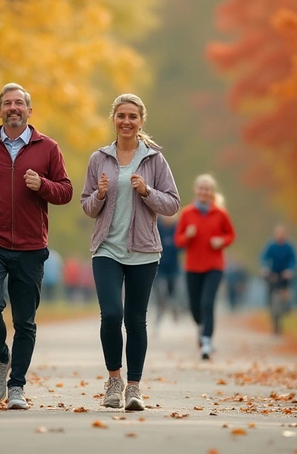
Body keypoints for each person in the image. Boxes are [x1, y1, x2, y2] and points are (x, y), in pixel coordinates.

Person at [0, 83, 73, 410]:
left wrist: (43, 186)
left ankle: (18, 386)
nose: (13, 107)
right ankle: (1, 356)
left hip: (30, 246)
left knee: (25, 322)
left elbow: (65, 191)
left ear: (29, 110)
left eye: (19, 103)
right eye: (7, 103)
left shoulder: (48, 148)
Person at [81, 93, 180, 411]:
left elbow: (173, 204)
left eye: (132, 117)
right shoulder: (99, 158)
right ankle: (114, 381)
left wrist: (147, 191)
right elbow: (86, 205)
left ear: (141, 121)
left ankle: (134, 388)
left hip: (143, 250)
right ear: (114, 119)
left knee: (136, 320)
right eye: (121, 116)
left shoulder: (154, 159)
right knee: (111, 314)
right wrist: (99, 195)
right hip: (107, 248)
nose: (126, 121)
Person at [174, 174, 235, 360]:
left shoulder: (220, 213)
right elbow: (178, 241)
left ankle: (206, 341)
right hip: (192, 266)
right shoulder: (187, 213)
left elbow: (231, 235)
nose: (204, 192)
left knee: (207, 303)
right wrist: (189, 236)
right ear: (196, 191)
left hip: (214, 266)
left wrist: (221, 241)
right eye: (201, 188)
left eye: (207, 189)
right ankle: (202, 327)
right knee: (195, 307)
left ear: (212, 192)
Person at [260, 224, 297, 333]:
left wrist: (290, 270)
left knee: (286, 291)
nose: (280, 236)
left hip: (285, 273)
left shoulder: (289, 246)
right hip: (273, 273)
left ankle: (287, 305)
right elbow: (264, 257)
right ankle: (272, 312)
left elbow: (294, 260)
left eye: (282, 234)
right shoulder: (271, 246)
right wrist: (265, 268)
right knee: (270, 293)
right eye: (278, 234)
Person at [153, 214, 181, 329]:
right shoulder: (157, 226)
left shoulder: (177, 228)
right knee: (159, 291)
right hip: (159, 266)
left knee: (172, 291)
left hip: (173, 267)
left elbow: (181, 245)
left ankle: (174, 308)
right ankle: (160, 312)